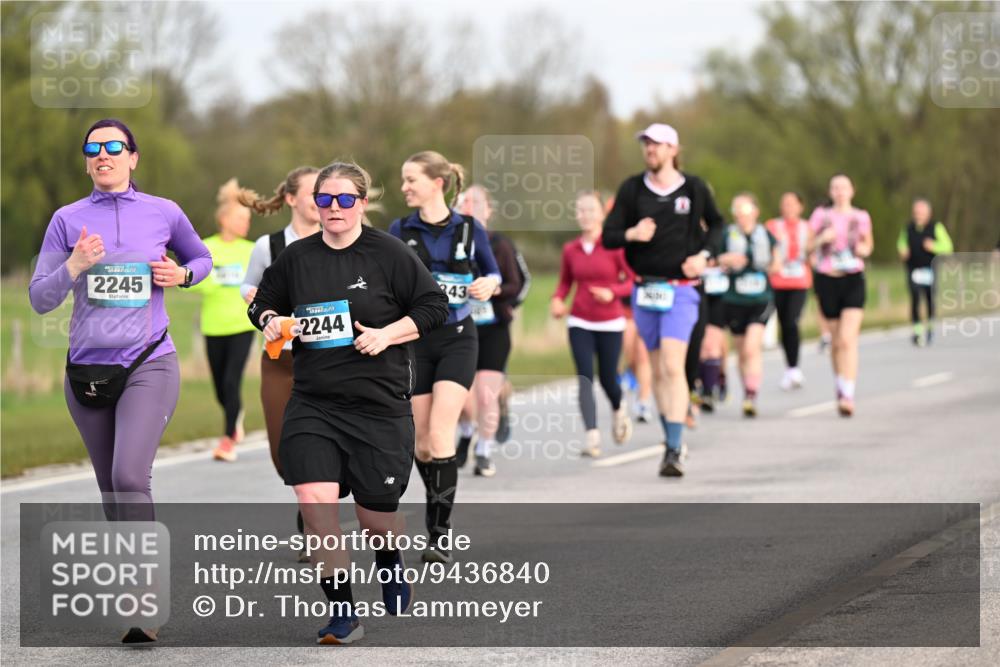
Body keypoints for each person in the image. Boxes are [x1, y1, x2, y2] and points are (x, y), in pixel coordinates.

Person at [248, 160, 449, 644]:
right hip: (314, 402)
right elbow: (261, 304)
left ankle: (388, 558)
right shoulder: (296, 258)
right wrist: (271, 321)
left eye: (344, 199)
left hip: (378, 404)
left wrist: (386, 335)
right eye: (324, 199)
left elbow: (434, 307)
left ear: (361, 203)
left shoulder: (389, 253)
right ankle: (343, 614)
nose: (333, 208)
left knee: (374, 518)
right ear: (313, 204)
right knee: (314, 502)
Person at [29, 118, 212, 643]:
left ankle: (144, 599)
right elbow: (40, 298)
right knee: (111, 490)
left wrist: (183, 275)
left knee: (130, 476)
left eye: (114, 146)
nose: (103, 154)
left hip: (148, 361)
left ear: (133, 157)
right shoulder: (67, 220)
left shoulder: (163, 211)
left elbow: (202, 258)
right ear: (87, 161)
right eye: (93, 148)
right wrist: (73, 265)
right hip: (87, 371)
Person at [389, 151, 501, 561]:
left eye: (411, 179)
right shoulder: (400, 230)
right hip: (416, 341)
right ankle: (438, 507)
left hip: (458, 338)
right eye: (404, 179)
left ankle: (439, 533)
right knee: (421, 444)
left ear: (437, 183)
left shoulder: (469, 228)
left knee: (440, 433)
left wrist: (488, 284)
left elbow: (493, 272)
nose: (404, 187)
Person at [603, 123, 724, 477]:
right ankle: (671, 438)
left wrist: (704, 256)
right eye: (646, 144)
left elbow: (718, 226)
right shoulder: (631, 189)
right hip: (645, 290)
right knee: (657, 371)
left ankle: (673, 447)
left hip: (682, 289)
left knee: (673, 366)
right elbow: (609, 236)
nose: (650, 150)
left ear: (673, 149)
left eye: (656, 144)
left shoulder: (694, 188)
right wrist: (632, 233)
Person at [239, 167, 321, 473]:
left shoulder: (338, 241)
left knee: (322, 447)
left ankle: (320, 496)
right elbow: (248, 285)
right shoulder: (268, 245)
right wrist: (252, 296)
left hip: (326, 359)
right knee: (282, 452)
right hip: (280, 360)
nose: (322, 200)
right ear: (291, 198)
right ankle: (308, 494)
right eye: (313, 193)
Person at [551, 190, 635, 457]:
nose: (585, 215)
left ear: (602, 214)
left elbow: (632, 281)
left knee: (608, 378)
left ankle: (619, 409)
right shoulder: (570, 249)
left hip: (610, 322)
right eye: (580, 210)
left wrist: (613, 292)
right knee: (585, 377)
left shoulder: (615, 246)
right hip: (580, 321)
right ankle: (592, 437)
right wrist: (557, 299)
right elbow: (565, 283)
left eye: (590, 210)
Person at [454, 185, 527, 475]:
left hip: (494, 329)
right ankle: (466, 429)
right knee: (462, 398)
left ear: (488, 210)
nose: (469, 207)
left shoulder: (500, 244)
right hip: (459, 329)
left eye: (475, 203)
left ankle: (484, 450)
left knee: (486, 395)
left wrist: (493, 291)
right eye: (464, 202)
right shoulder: (450, 243)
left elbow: (517, 284)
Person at [189, 179, 256, 462]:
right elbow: (190, 281)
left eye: (248, 219)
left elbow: (263, 282)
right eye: (241, 218)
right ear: (224, 219)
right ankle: (234, 414)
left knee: (231, 382)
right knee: (220, 388)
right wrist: (213, 280)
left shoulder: (252, 250)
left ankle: (228, 439)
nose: (246, 224)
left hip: (242, 325)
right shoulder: (206, 248)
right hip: (213, 326)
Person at [807, 174, 875, 416]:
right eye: (835, 188)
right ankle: (840, 383)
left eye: (844, 187)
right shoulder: (820, 215)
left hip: (853, 278)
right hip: (827, 278)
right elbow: (806, 246)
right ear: (830, 192)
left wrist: (863, 249)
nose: (839, 192)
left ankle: (848, 393)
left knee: (848, 339)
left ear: (852, 191)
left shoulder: (861, 216)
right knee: (836, 342)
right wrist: (821, 239)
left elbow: (869, 245)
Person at [718, 193, 781, 416]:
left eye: (745, 210)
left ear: (755, 212)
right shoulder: (727, 234)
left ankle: (752, 395)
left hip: (760, 299)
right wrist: (726, 259)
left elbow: (777, 261)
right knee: (741, 351)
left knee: (752, 347)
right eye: (736, 210)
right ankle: (747, 389)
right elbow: (714, 258)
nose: (740, 215)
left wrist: (772, 266)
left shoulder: (765, 234)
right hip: (734, 300)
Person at [766, 192, 812, 389]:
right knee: (784, 324)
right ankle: (789, 367)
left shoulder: (807, 227)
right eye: (785, 204)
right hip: (777, 281)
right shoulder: (772, 226)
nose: (788, 207)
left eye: (792, 204)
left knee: (792, 321)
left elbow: (813, 252)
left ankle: (794, 368)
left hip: (799, 282)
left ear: (800, 207)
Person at [897, 198, 953, 346]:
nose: (918, 215)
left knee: (930, 300)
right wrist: (903, 250)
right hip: (913, 269)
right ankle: (917, 331)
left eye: (921, 212)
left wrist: (933, 246)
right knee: (915, 298)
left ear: (929, 213)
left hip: (930, 270)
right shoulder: (908, 228)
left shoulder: (936, 227)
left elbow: (948, 247)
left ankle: (930, 329)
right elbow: (901, 243)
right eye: (916, 212)